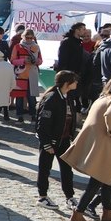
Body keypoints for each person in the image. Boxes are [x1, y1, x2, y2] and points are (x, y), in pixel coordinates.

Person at [62, 76, 111, 221]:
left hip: (95, 144)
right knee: (97, 182)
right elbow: (110, 116)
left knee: (109, 178)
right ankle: (78, 214)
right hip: (104, 147)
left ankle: (108, 213)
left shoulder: (101, 99)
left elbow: (106, 122)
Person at [35, 71, 80, 209]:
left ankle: (69, 197)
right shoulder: (52, 98)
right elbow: (42, 123)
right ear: (67, 83)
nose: (76, 83)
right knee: (45, 169)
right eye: (74, 81)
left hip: (64, 140)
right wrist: (47, 144)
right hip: (51, 142)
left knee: (67, 170)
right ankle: (42, 197)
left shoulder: (69, 97)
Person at [10, 29, 42, 123]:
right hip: (20, 75)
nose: (29, 40)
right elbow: (13, 60)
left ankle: (33, 117)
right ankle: (20, 117)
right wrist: (23, 61)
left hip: (32, 75)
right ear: (23, 37)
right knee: (19, 97)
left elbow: (40, 60)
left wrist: (36, 61)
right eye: (27, 38)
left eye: (31, 38)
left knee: (32, 97)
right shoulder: (17, 46)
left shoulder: (36, 47)